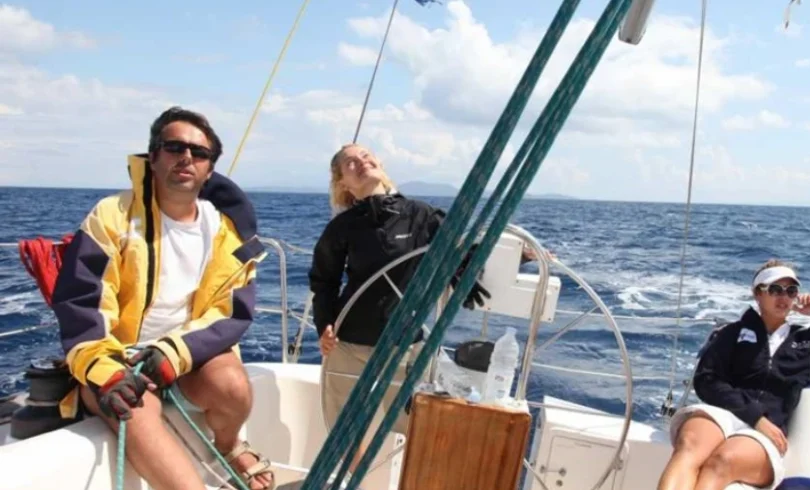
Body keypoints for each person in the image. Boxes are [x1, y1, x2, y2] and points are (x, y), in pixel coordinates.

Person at [51, 106, 274, 490]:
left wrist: (173, 354)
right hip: (118, 359)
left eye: (199, 153)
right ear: (153, 157)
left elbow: (231, 312)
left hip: (188, 356)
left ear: (209, 169)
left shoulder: (228, 230)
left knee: (233, 384)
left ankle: (228, 446)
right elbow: (83, 304)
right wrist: (106, 371)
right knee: (133, 408)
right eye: (174, 147)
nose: (187, 157)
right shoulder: (112, 216)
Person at [309, 143, 545, 478]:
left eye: (365, 155)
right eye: (349, 163)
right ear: (342, 183)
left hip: (404, 348)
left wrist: (514, 256)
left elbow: (461, 251)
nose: (360, 162)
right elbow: (324, 280)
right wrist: (324, 324)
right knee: (344, 432)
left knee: (424, 426)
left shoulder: (421, 215)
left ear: (379, 163)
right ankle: (355, 483)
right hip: (348, 345)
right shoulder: (342, 226)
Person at [656, 259, 810, 490]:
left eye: (791, 291)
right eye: (775, 289)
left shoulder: (808, 342)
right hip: (725, 413)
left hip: (769, 432)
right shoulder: (732, 334)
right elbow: (707, 380)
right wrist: (755, 416)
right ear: (758, 294)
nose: (784, 297)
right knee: (689, 446)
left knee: (723, 461)